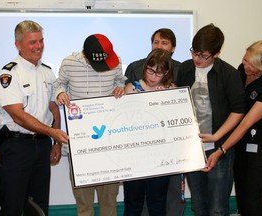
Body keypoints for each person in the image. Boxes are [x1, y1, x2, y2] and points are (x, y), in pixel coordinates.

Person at [0, 20, 69, 216]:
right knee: (12, 205)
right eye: (32, 42)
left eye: (41, 41)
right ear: (18, 45)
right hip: (17, 147)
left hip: (42, 146)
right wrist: (52, 132)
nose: (39, 46)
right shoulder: (8, 75)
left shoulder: (47, 72)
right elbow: (18, 116)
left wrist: (56, 143)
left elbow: (53, 108)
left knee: (38, 205)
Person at [176, 23, 245, 216]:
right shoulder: (186, 69)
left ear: (216, 54)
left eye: (203, 55)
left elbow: (238, 111)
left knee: (217, 208)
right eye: (194, 52)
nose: (197, 58)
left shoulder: (229, 74)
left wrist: (217, 137)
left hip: (219, 148)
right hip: (192, 148)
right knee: (198, 205)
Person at [205, 40, 262, 216]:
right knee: (242, 195)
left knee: (255, 199)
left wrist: (221, 149)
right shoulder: (241, 71)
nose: (245, 65)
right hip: (240, 145)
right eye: (245, 59)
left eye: (251, 64)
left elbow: (246, 122)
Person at [54, 33, 126, 216]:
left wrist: (120, 88)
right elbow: (58, 84)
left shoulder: (116, 61)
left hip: (108, 143)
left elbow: (120, 81)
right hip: (81, 143)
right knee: (84, 204)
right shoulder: (69, 62)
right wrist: (60, 93)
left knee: (109, 202)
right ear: (85, 55)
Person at [125, 28, 186, 216]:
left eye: (159, 73)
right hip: (135, 156)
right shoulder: (131, 88)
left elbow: (179, 122)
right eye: (150, 71)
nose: (153, 76)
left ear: (166, 73)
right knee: (133, 203)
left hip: (161, 157)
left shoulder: (172, 90)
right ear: (144, 68)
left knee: (157, 203)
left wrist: (165, 98)